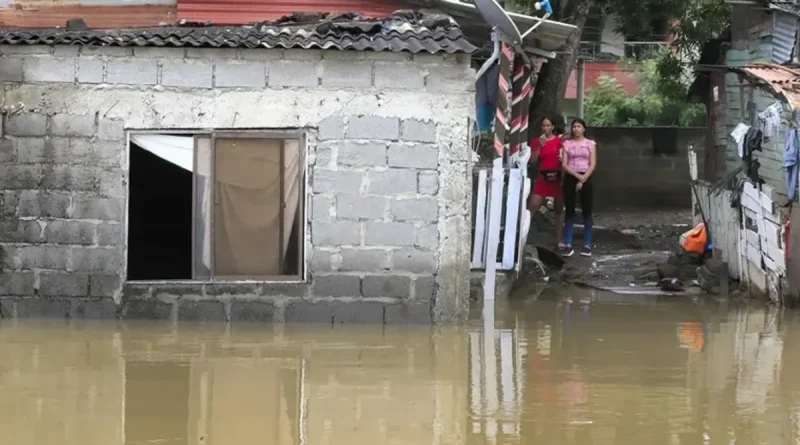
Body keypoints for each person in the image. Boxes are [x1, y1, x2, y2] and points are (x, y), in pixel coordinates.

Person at [561, 118, 596, 257]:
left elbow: (592, 163)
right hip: (571, 176)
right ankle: (568, 244)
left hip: (586, 176)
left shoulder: (590, 144)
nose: (576, 129)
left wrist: (584, 177)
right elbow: (564, 164)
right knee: (569, 210)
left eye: (579, 126)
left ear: (584, 129)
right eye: (574, 126)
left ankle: (587, 245)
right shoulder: (567, 144)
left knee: (587, 210)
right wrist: (576, 176)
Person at [528, 116, 565, 248]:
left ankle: (559, 240)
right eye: (543, 125)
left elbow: (565, 156)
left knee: (559, 208)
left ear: (553, 127)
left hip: (557, 176)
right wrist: (539, 146)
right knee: (533, 206)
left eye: (548, 125)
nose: (545, 128)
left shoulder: (559, 141)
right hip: (543, 176)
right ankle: (523, 237)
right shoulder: (536, 141)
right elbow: (533, 161)